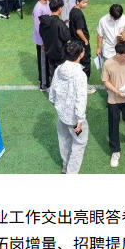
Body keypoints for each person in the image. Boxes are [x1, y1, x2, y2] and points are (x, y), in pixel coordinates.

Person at [48, 41, 88, 174]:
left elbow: (53, 90)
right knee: (79, 143)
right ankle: (71, 172)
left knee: (64, 140)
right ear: (80, 54)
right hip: (74, 118)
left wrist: (56, 104)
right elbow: (81, 98)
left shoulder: (59, 69)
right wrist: (80, 119)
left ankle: (65, 166)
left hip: (61, 115)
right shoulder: (80, 75)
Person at [101, 40, 125, 168]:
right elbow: (105, 81)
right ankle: (115, 151)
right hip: (114, 101)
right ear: (118, 54)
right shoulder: (108, 63)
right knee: (113, 126)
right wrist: (116, 91)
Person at [38, 0, 70, 89]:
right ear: (60, 8)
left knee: (53, 74)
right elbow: (66, 37)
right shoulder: (59, 23)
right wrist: (66, 27)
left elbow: (41, 33)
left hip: (49, 52)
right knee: (62, 76)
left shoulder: (43, 22)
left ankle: (54, 91)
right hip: (60, 53)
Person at [68, 0, 95, 92]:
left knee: (77, 63)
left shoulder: (72, 10)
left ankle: (78, 83)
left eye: (87, 2)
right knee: (85, 63)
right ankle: (84, 85)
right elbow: (79, 31)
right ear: (78, 2)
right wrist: (85, 40)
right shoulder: (78, 14)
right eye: (84, 2)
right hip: (81, 42)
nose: (86, 4)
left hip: (74, 42)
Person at [32, 0, 52, 89]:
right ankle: (43, 84)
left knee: (47, 60)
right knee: (43, 61)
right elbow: (37, 27)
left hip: (48, 38)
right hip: (42, 40)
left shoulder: (48, 3)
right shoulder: (38, 9)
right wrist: (42, 42)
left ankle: (45, 78)